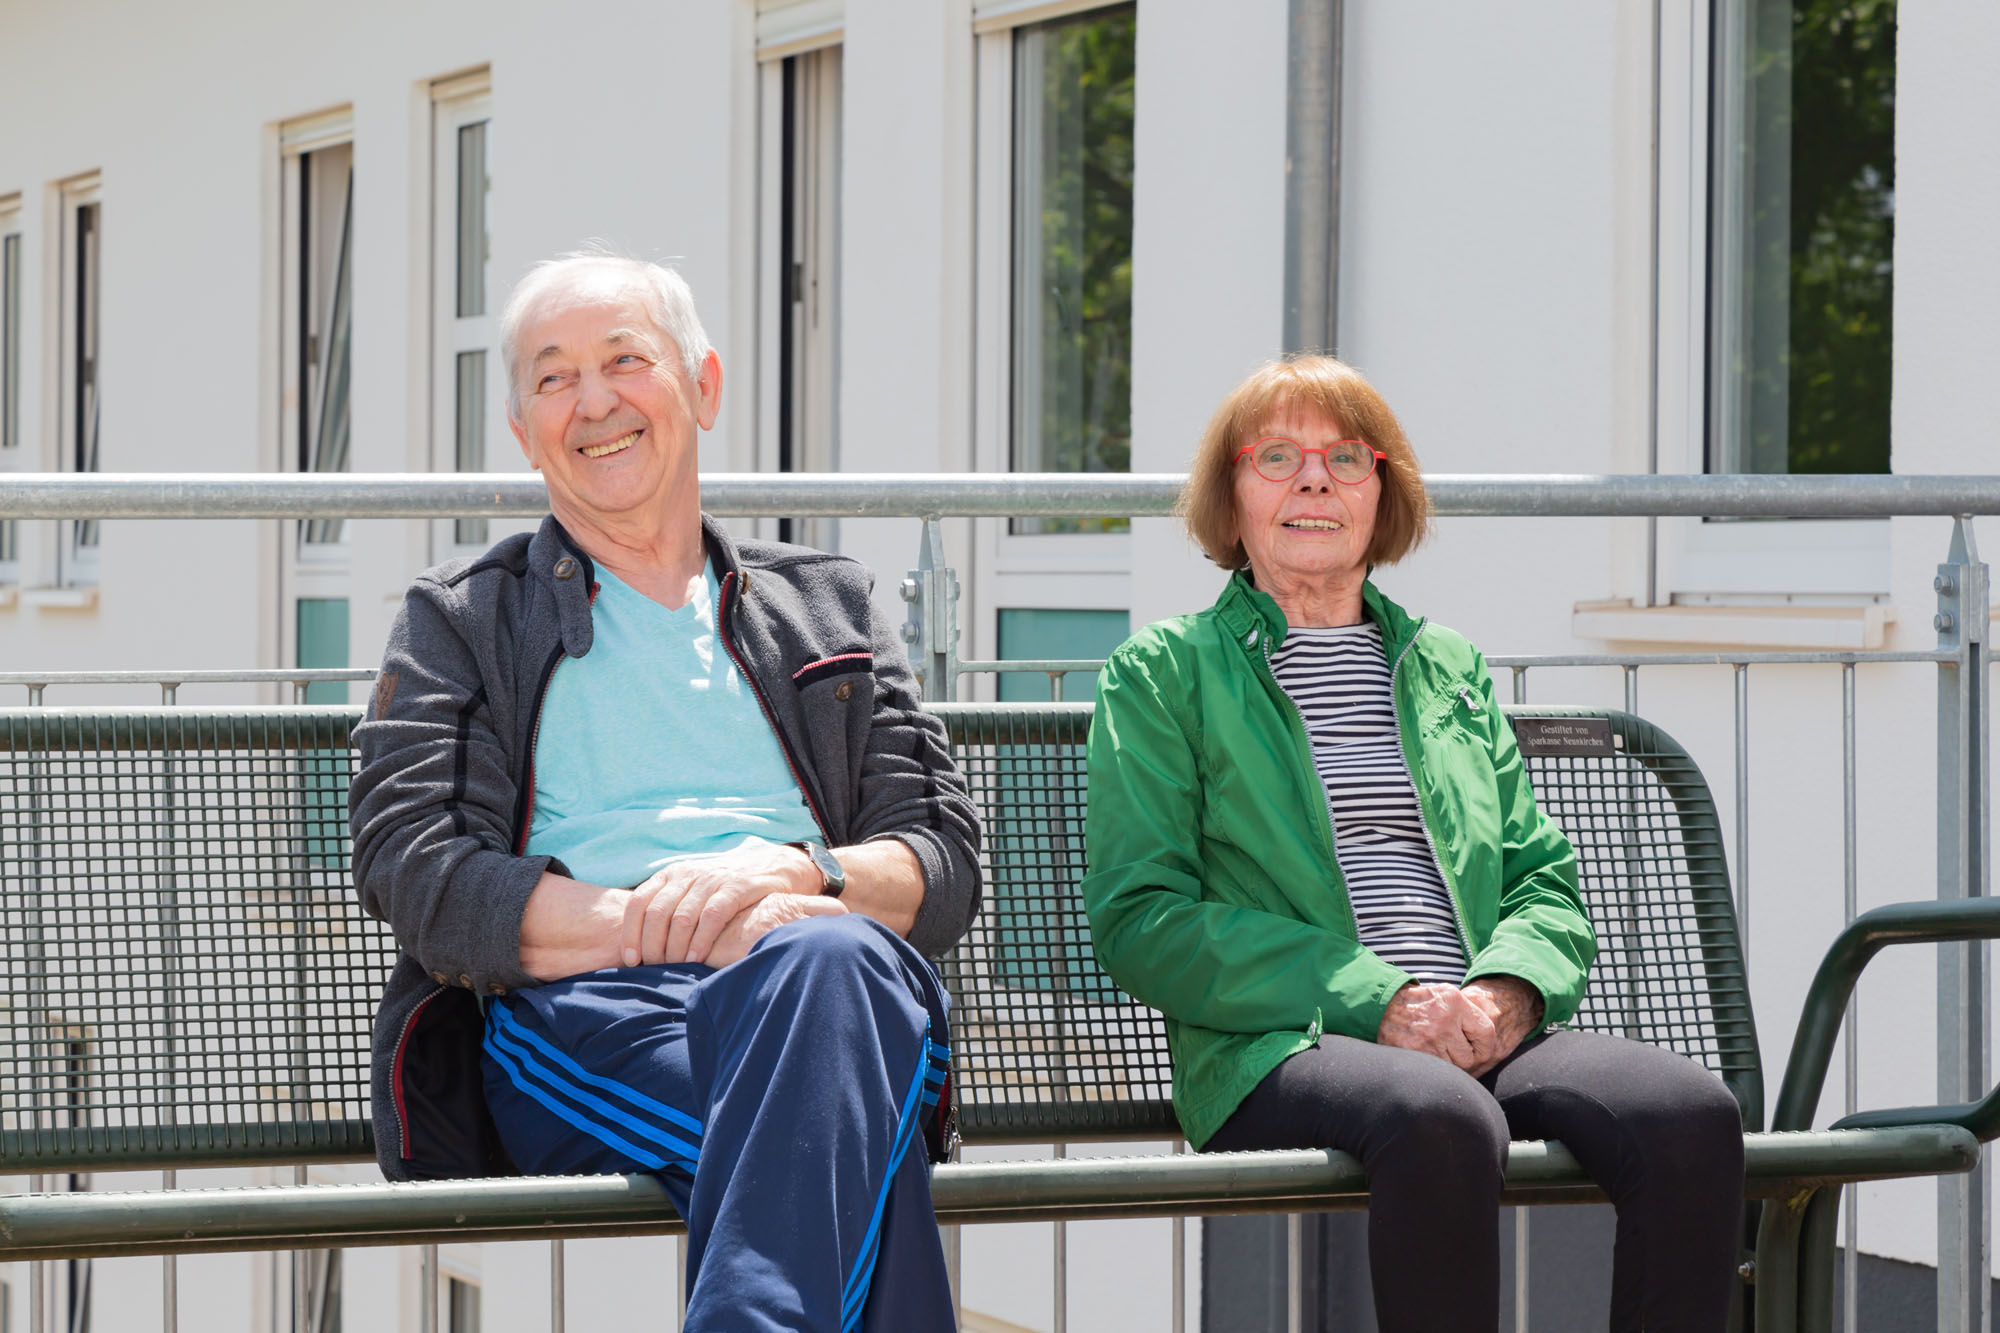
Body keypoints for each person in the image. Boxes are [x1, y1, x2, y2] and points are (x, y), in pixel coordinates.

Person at [350, 250, 980, 1332]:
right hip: (587, 1011)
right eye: (553, 377)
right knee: (843, 1119)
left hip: (831, 983)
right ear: (522, 429)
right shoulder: (463, 617)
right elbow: (415, 867)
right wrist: (683, 927)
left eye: (624, 360)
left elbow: (942, 858)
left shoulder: (826, 605)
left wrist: (797, 877)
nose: (592, 400)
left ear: (703, 385)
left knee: (825, 971)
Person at [1080, 355, 1745, 1331]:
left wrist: (1507, 991)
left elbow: (1539, 876)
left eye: (1346, 458)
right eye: (1275, 456)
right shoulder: (1162, 672)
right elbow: (1141, 917)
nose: (1313, 479)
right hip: (1280, 1043)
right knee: (1438, 1116)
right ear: (1228, 498)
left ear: (1382, 495)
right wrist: (1377, 998)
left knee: (1688, 1115)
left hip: (1476, 1028)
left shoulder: (1445, 666)